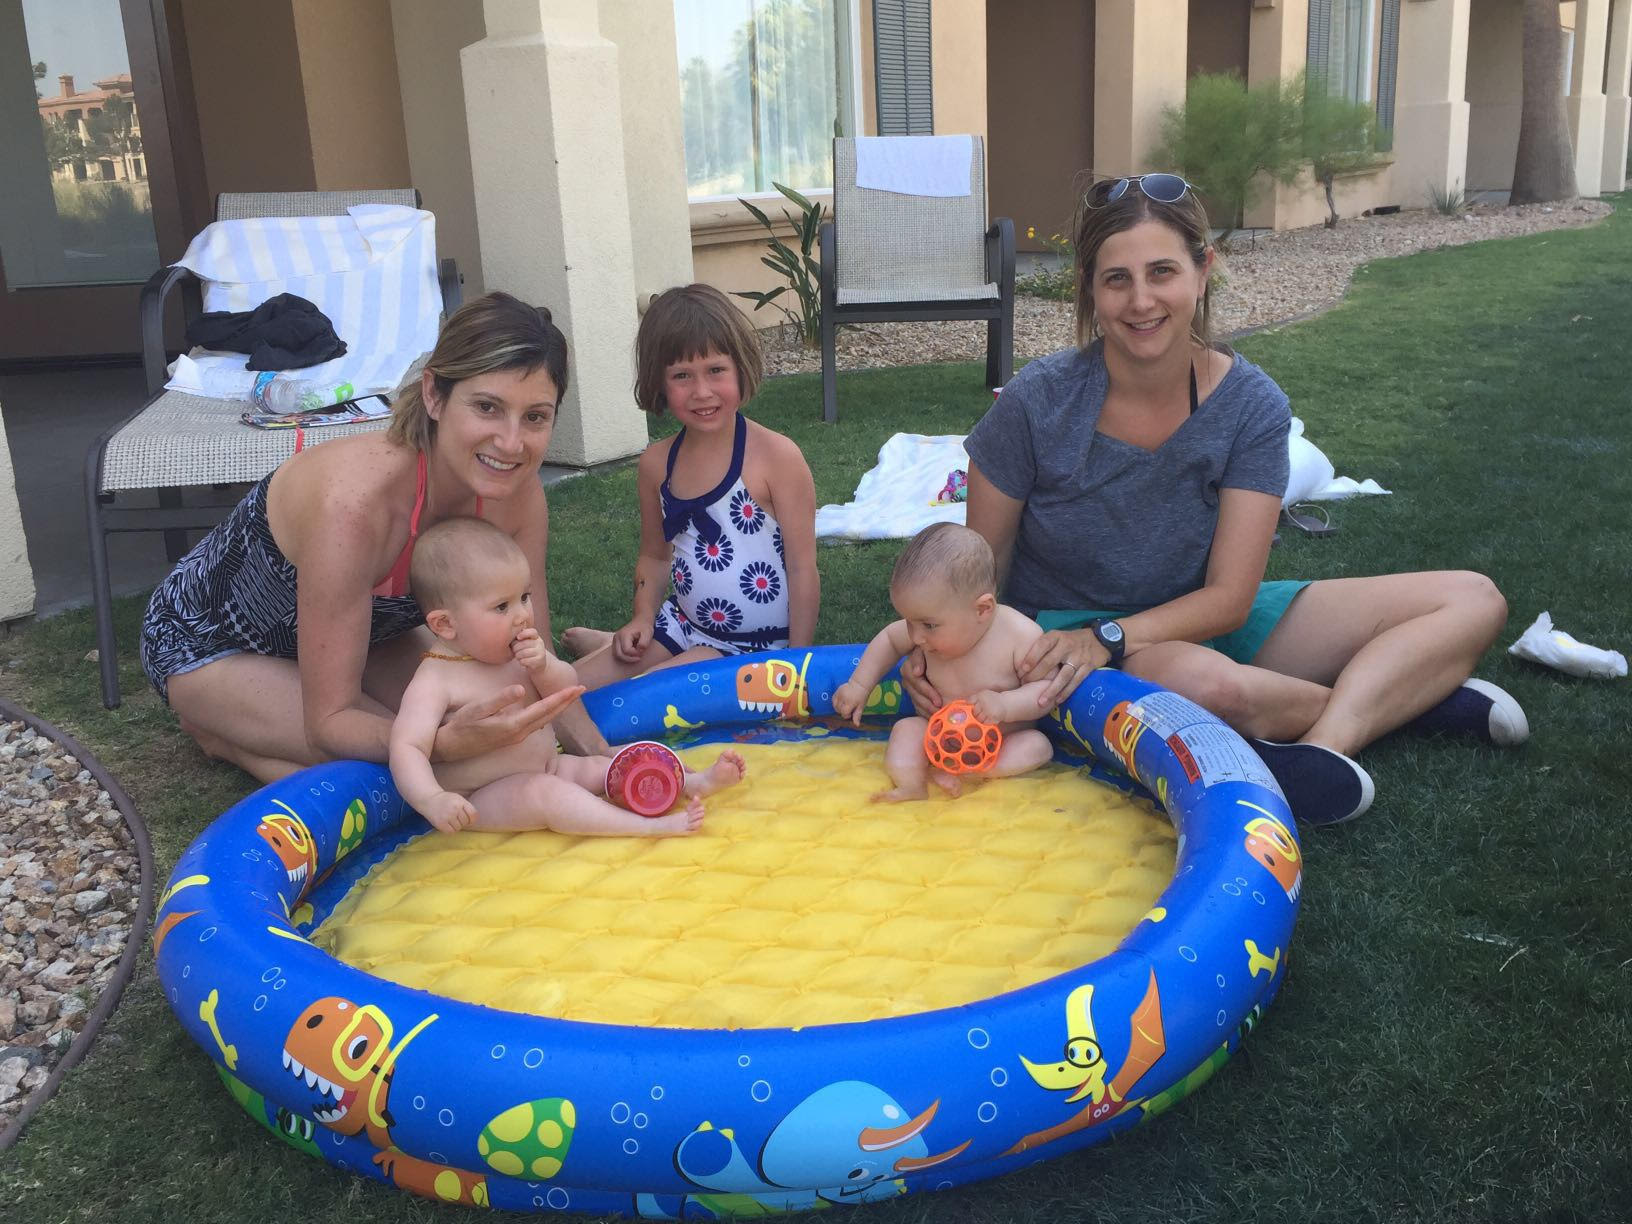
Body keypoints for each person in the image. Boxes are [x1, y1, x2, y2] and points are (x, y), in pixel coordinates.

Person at [904, 172, 1527, 827]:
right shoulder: (1038, 400)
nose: (1141, 300)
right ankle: (1413, 702)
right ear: (1089, 286)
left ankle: (1323, 748)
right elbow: (980, 567)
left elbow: (1230, 598)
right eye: (1117, 279)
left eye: (1162, 271)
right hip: (1060, 633)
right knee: (1211, 686)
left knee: (1472, 598)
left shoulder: (1251, 406)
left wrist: (1114, 636)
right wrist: (951, 649)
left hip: (1199, 615)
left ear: (1204, 270)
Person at [141, 292, 611, 784]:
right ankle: (230, 739)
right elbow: (331, 721)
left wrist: (605, 759)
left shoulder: (516, 493)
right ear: (434, 394)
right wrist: (442, 745)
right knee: (420, 768)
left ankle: (255, 730)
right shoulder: (354, 505)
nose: (512, 443)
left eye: (535, 416)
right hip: (215, 644)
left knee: (500, 727)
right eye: (488, 407)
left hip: (368, 640)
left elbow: (531, 661)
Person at [389, 517, 745, 836]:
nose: (522, 616)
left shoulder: (516, 651)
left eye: (524, 597)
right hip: (482, 796)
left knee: (610, 764)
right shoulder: (435, 679)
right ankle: (646, 826)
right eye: (502, 606)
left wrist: (544, 666)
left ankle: (693, 782)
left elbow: (565, 686)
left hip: (551, 765)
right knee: (548, 796)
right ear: (445, 624)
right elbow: (408, 747)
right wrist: (433, 799)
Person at [564, 284, 819, 686]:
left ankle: (625, 654)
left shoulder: (778, 458)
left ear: (741, 367)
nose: (702, 392)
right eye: (682, 376)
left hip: (752, 649)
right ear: (659, 382)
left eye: (716, 370)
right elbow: (655, 557)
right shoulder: (656, 464)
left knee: (641, 695)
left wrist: (798, 664)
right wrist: (643, 616)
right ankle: (619, 646)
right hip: (679, 623)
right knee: (565, 686)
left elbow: (803, 568)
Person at [834, 524, 1054, 802]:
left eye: (928, 625)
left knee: (1037, 746)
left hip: (1000, 743)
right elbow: (890, 639)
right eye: (910, 622)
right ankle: (912, 784)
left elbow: (1047, 692)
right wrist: (859, 685)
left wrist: (1005, 705)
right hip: (936, 740)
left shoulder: (1019, 637)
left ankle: (974, 774)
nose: (915, 636)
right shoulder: (926, 627)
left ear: (982, 610)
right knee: (906, 730)